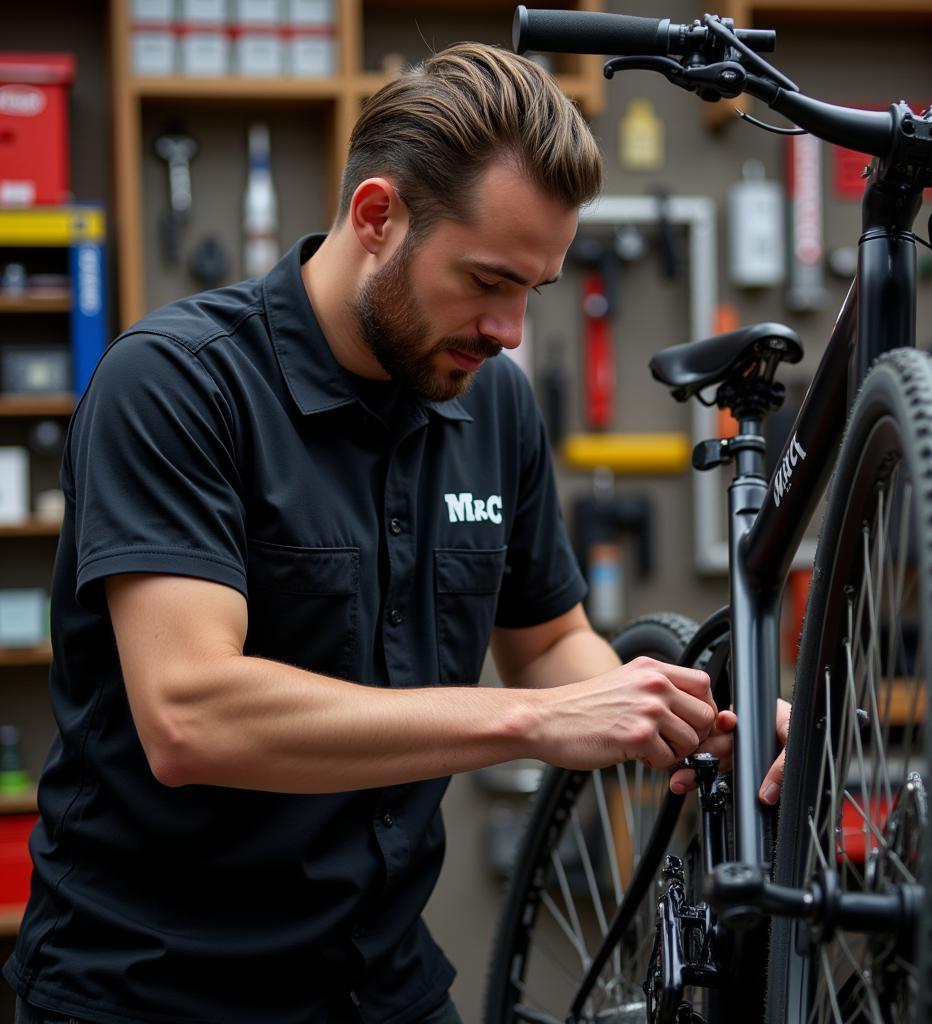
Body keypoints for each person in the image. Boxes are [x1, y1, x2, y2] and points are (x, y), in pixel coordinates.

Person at [4, 43, 786, 1024]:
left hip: (382, 985)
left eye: (532, 292)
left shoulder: (493, 404)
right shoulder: (174, 385)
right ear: (377, 216)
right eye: (487, 279)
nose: (507, 330)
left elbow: (546, 644)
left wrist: (695, 718)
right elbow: (190, 716)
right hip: (156, 987)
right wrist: (528, 724)